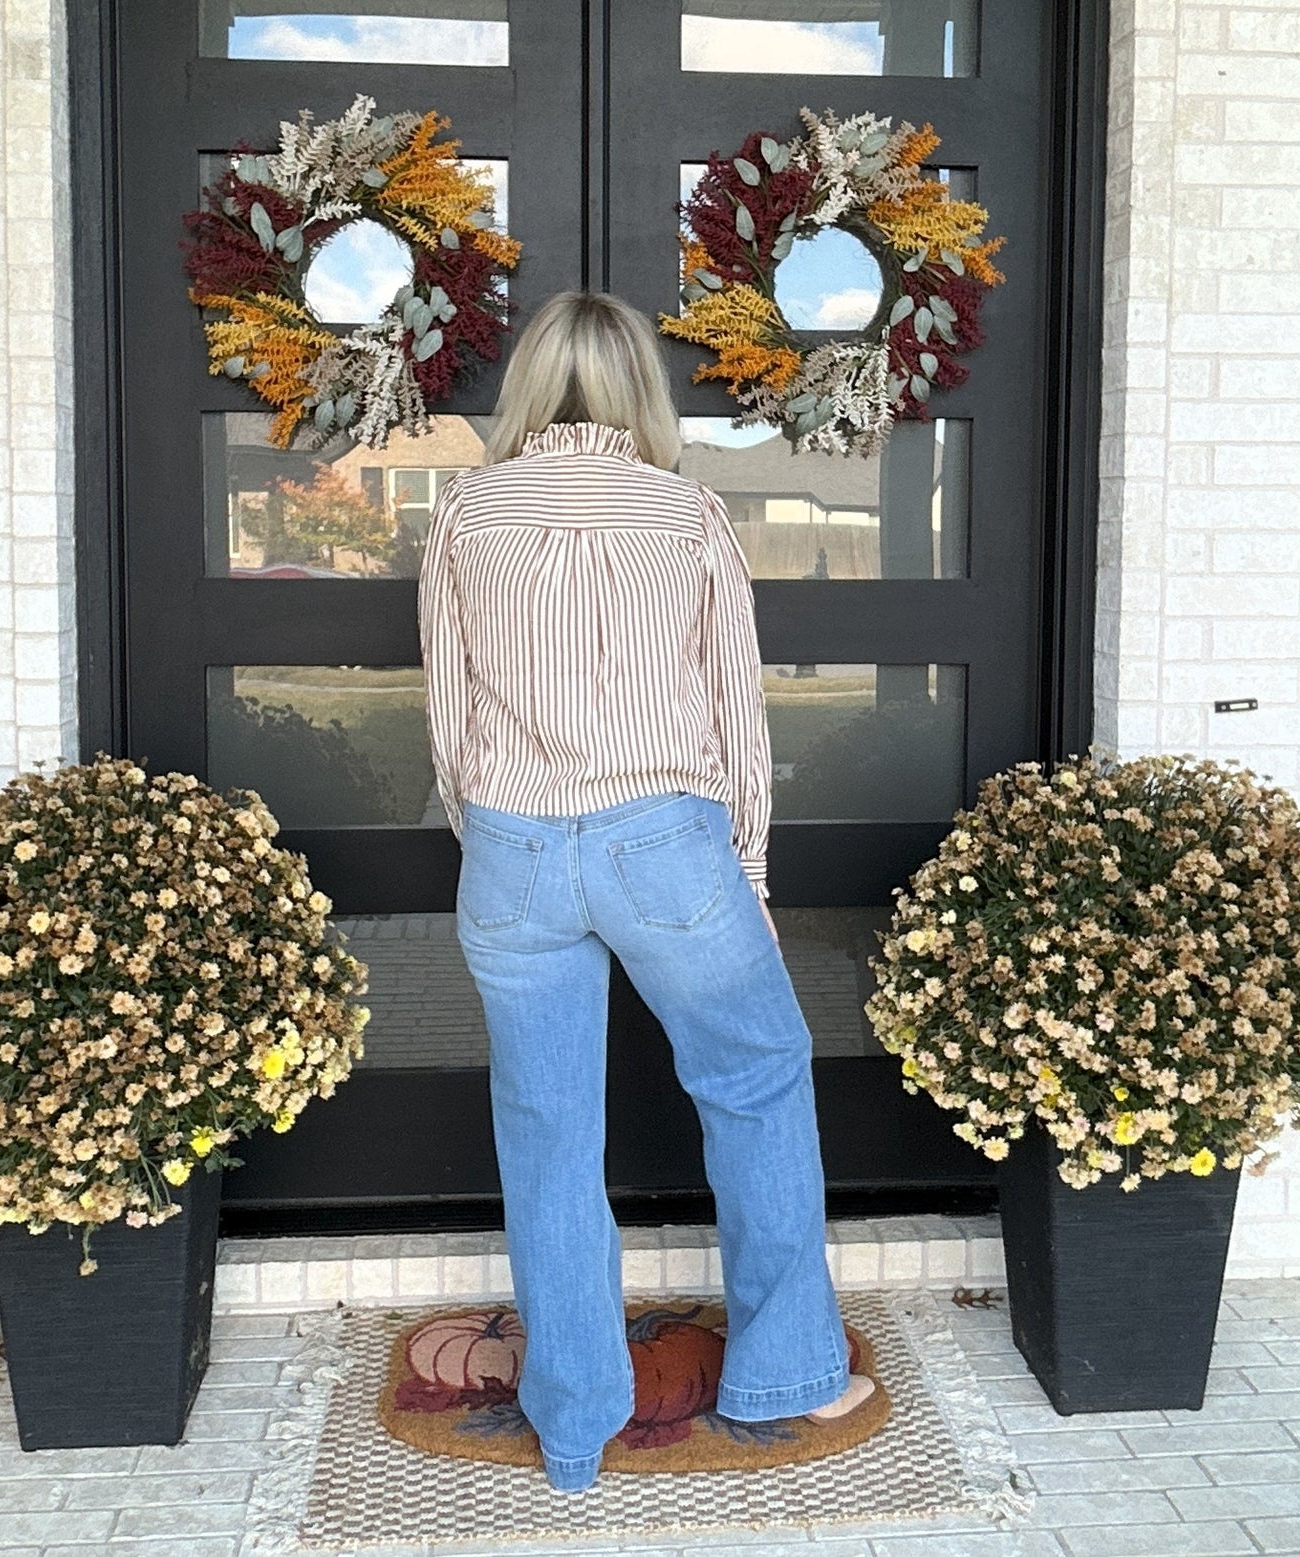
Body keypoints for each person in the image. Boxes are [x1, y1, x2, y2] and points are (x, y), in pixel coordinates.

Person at [417, 289, 875, 1495]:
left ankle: (573, 1430)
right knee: (758, 1078)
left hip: (512, 844)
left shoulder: (465, 510)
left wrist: (492, 840)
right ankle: (786, 1374)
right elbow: (737, 709)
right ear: (637, 392)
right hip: (662, 841)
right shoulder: (684, 514)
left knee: (547, 1134)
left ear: (527, 389)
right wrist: (752, 869)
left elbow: (448, 716)